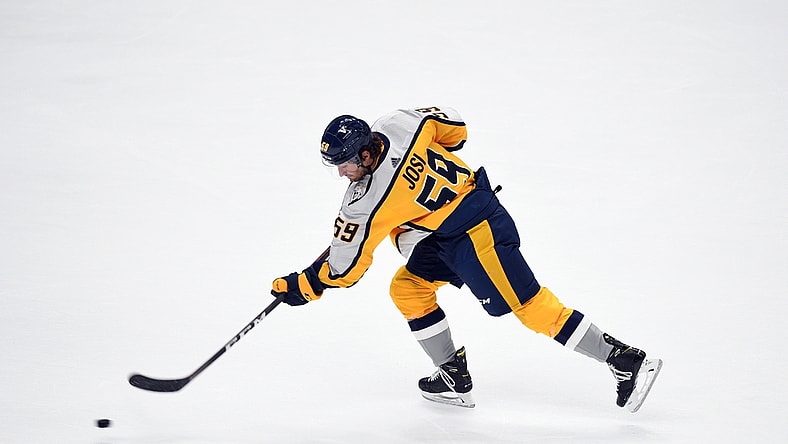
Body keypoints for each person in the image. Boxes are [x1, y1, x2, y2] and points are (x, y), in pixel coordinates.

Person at [271, 106, 662, 412]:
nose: (342, 173)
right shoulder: (397, 122)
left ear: (367, 152)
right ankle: (453, 376)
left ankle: (623, 359)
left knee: (530, 307)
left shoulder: (364, 203)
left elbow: (344, 270)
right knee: (408, 288)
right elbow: (456, 131)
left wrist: (302, 285)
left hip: (479, 234)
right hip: (448, 231)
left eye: (346, 163)